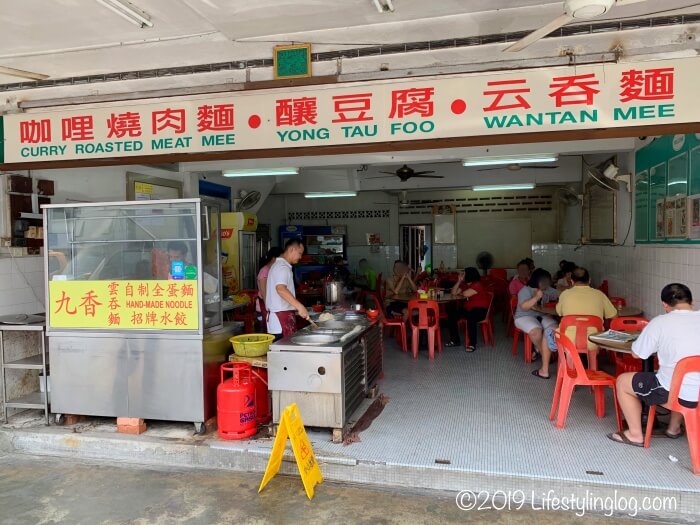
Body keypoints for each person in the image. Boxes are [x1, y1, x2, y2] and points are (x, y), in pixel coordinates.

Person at [608, 283, 700, 447]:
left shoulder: (660, 322)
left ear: (665, 304)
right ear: (692, 302)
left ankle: (635, 434)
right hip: (696, 392)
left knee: (622, 381)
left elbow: (638, 354)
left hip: (673, 392)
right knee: (685, 378)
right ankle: (673, 428)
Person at [533, 267, 617, 379]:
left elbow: (559, 312)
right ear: (590, 280)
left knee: (547, 332)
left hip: (568, 342)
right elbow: (614, 316)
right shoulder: (599, 295)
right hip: (593, 342)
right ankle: (592, 367)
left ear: (571, 281)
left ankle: (544, 371)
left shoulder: (565, 294)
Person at [265, 238, 309, 339]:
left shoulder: (279, 265)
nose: (300, 257)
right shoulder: (282, 267)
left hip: (279, 319)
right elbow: (280, 289)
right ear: (292, 249)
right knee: (283, 352)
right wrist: (300, 306)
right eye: (300, 253)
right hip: (280, 321)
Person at [514, 268, 558, 364]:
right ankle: (544, 355)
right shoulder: (525, 290)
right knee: (535, 331)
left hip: (541, 315)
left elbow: (558, 294)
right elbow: (524, 307)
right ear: (538, 281)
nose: (548, 283)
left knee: (554, 328)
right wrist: (537, 297)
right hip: (524, 316)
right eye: (545, 281)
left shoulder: (548, 289)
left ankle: (537, 350)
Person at [445, 267, 491, 352]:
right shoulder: (465, 285)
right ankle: (455, 340)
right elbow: (453, 292)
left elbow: (466, 294)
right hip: (468, 309)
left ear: (469, 275)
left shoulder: (477, 284)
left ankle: (472, 344)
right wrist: (459, 281)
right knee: (452, 315)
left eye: (463, 274)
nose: (461, 275)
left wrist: (460, 293)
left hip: (480, 310)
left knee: (471, 318)